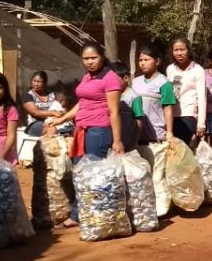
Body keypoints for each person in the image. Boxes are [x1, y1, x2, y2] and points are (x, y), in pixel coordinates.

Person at [48, 42, 125, 228]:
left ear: (102, 57)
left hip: (98, 132)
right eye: (86, 59)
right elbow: (82, 103)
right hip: (82, 130)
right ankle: (81, 213)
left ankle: (88, 216)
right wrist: (62, 119)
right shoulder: (87, 77)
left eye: (93, 58)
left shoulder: (111, 78)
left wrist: (117, 140)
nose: (90, 62)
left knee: (94, 175)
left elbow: (114, 112)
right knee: (80, 173)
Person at [132, 46, 177, 146]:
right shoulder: (135, 82)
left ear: (157, 61)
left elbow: (168, 109)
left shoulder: (164, 83)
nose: (142, 63)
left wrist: (169, 132)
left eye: (146, 60)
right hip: (136, 136)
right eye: (140, 60)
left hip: (156, 136)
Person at [165, 37, 206, 147]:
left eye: (182, 49)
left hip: (188, 115)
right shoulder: (170, 69)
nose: (179, 53)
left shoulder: (198, 70)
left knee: (182, 148)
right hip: (171, 115)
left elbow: (202, 98)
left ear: (188, 50)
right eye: (176, 50)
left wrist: (201, 124)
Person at [22, 71, 63, 137]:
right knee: (51, 129)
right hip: (35, 124)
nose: (36, 84)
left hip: (53, 120)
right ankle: (50, 146)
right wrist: (53, 112)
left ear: (45, 83)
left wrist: (60, 114)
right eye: (34, 81)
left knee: (69, 128)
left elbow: (61, 107)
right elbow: (36, 113)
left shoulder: (52, 95)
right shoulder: (28, 96)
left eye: (39, 82)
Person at [111, 62, 139, 153]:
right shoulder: (111, 95)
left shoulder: (134, 97)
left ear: (126, 78)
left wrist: (134, 142)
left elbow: (138, 121)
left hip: (127, 142)